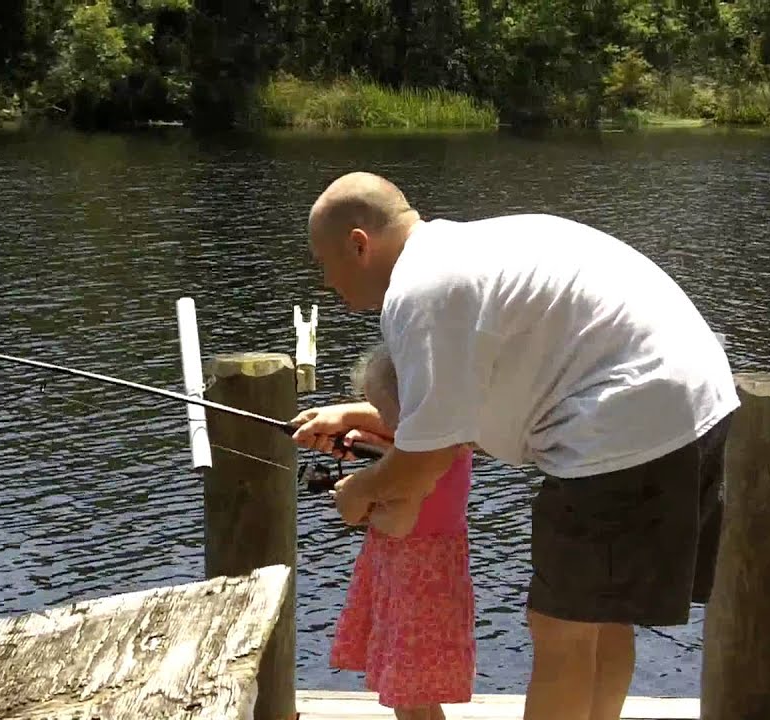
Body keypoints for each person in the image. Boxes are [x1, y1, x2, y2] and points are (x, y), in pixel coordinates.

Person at [291, 171, 738, 720]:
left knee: (562, 629)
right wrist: (362, 415)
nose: (326, 284)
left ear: (358, 245)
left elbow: (424, 462)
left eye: (324, 263)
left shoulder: (418, 291)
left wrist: (360, 491)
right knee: (604, 616)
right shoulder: (467, 251)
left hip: (622, 425)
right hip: (695, 402)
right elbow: (456, 412)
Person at [328, 342, 476, 720]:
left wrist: (357, 499)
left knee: (407, 698)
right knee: (419, 694)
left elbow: (398, 520)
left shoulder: (412, 465)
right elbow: (400, 444)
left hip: (413, 581)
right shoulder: (453, 441)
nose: (381, 420)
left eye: (384, 412)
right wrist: (353, 426)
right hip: (434, 573)